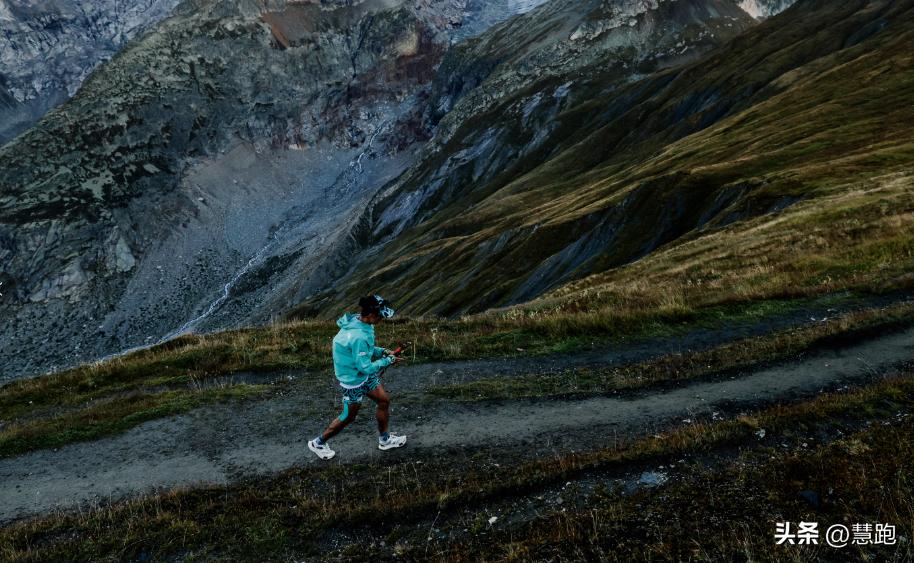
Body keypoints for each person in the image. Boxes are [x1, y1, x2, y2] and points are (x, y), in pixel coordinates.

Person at [308, 295, 406, 460]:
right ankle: (318, 443)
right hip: (353, 380)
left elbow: (365, 349)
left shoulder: (359, 322)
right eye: (380, 316)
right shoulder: (358, 336)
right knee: (349, 417)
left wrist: (382, 351)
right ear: (371, 314)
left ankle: (385, 440)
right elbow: (365, 367)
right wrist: (388, 360)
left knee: (383, 401)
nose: (382, 319)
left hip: (362, 375)